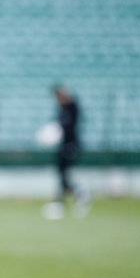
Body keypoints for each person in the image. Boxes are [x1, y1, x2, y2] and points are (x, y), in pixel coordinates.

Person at [45, 85, 90, 219]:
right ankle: (64, 200)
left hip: (71, 145)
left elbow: (68, 126)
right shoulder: (62, 108)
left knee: (64, 173)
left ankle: (77, 195)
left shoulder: (72, 107)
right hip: (64, 145)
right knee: (61, 173)